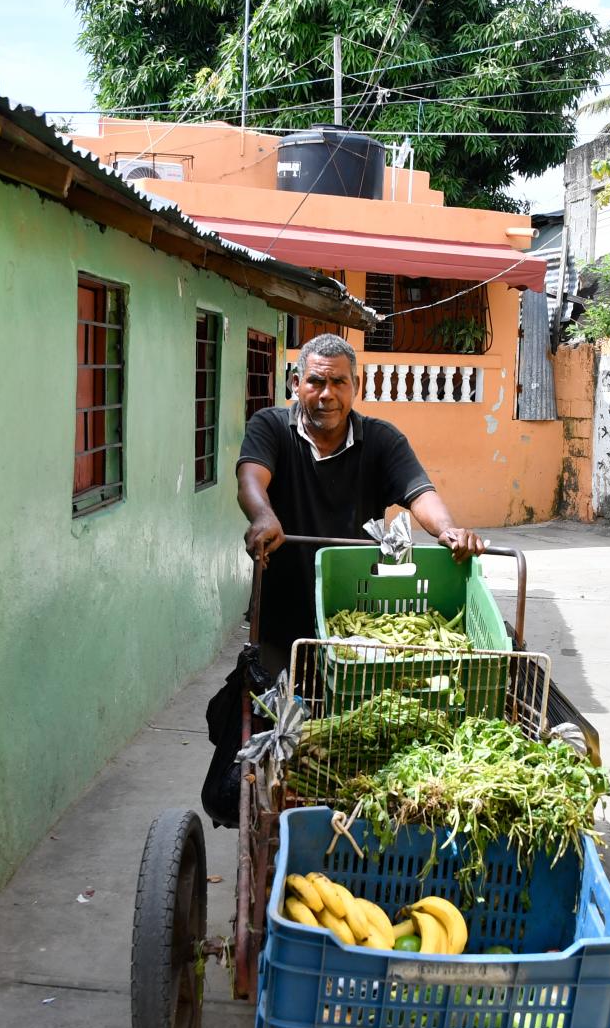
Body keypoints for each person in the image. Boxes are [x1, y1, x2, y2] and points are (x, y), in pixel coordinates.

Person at [200, 333, 483, 826]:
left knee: (348, 749)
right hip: (283, 622)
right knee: (263, 753)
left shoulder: (381, 440)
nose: (326, 393)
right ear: (296, 383)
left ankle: (339, 828)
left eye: (338, 383)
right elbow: (251, 476)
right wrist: (264, 516)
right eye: (315, 381)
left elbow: (420, 492)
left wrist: (448, 529)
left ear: (357, 387)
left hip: (354, 630)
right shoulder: (271, 426)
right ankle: (271, 837)